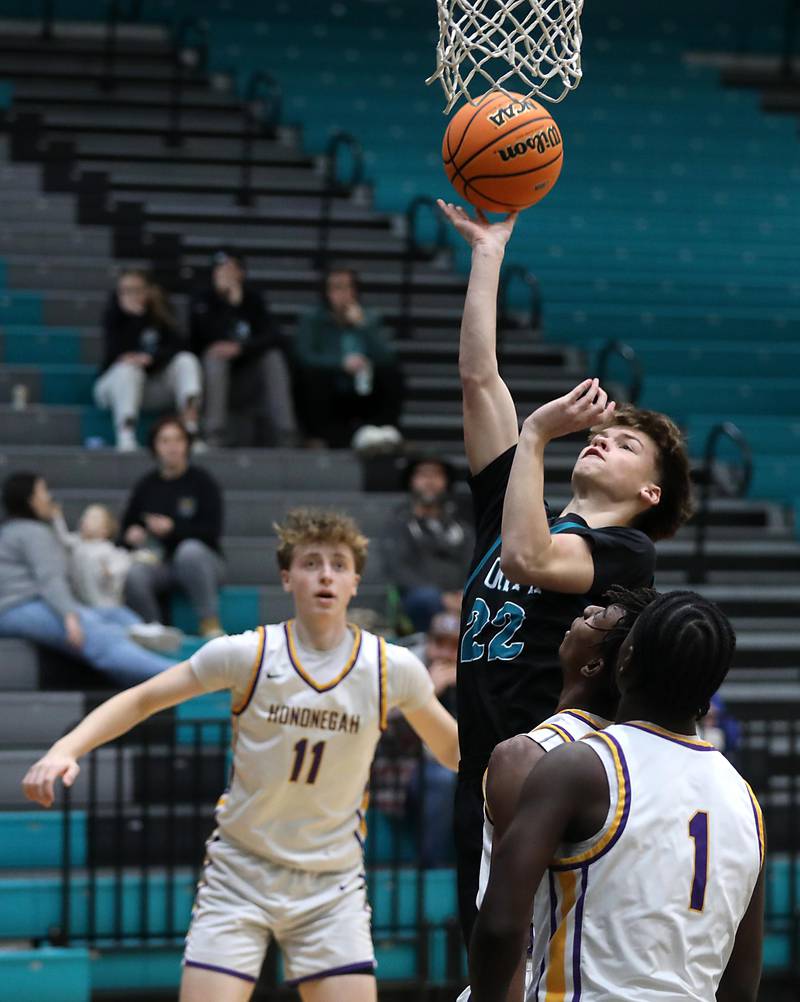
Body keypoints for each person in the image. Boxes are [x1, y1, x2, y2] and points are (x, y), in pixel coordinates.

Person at [22, 507, 460, 1002]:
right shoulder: (247, 654)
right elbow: (144, 697)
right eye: (311, 563)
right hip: (241, 872)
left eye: (338, 565)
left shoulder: (391, 668)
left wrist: (513, 778)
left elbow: (452, 749)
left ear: (356, 581)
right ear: (286, 576)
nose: (325, 575)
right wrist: (66, 747)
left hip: (331, 882)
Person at [437, 199, 695, 943]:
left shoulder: (627, 553)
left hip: (556, 772)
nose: (601, 441)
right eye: (600, 433)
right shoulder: (518, 506)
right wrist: (488, 252)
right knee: (486, 964)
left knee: (549, 965)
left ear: (650, 492)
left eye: (623, 444)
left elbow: (529, 558)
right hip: (479, 769)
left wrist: (537, 433)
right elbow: (479, 380)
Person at [470, 592, 765, 1002]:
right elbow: (741, 980)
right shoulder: (745, 800)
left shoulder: (582, 765)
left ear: (624, 663)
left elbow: (501, 925)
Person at [456, 585, 657, 1002]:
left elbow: (513, 928)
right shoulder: (645, 761)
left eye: (597, 617)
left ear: (594, 665)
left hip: (540, 982)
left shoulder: (532, 756)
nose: (587, 608)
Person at [0, 472, 173, 686]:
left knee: (115, 614)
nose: (49, 498)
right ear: (30, 499)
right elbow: (50, 580)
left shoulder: (13, 531)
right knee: (99, 634)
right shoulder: (33, 533)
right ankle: (173, 674)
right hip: (19, 607)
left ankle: (142, 635)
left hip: (26, 606)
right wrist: (70, 617)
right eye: (43, 492)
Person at [120, 416, 225, 639]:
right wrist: (132, 535)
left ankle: (209, 623)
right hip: (161, 563)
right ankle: (154, 629)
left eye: (178, 440)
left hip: (203, 562)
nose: (172, 447)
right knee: (135, 574)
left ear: (187, 444)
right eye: (165, 441)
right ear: (155, 447)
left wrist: (173, 529)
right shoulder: (146, 485)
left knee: (190, 551)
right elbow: (127, 528)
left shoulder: (202, 482)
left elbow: (212, 531)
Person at [189, 249, 298, 447]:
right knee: (215, 357)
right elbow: (198, 340)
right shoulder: (202, 300)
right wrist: (227, 306)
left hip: (249, 378)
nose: (225, 276)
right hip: (212, 380)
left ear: (241, 273)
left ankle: (286, 433)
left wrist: (241, 348)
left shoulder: (253, 299)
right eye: (220, 270)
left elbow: (274, 336)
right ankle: (214, 434)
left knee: (272, 357)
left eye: (230, 270)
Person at [292, 267, 403, 448]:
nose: (343, 294)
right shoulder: (312, 320)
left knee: (391, 374)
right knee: (310, 376)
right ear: (326, 292)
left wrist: (363, 326)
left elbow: (386, 357)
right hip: (331, 387)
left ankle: (384, 433)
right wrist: (340, 364)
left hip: (363, 387)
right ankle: (319, 436)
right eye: (336, 288)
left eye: (348, 287)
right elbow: (305, 356)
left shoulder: (369, 318)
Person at [93, 269, 202, 452]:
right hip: (114, 387)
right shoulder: (113, 315)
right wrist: (133, 319)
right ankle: (125, 436)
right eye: (125, 290)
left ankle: (191, 429)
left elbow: (179, 346)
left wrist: (151, 358)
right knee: (128, 368)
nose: (130, 295)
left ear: (148, 291)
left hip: (151, 386)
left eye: (135, 290)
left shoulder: (161, 314)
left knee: (186, 361)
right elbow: (114, 352)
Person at [52, 503, 182, 652]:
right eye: (85, 516)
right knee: (110, 628)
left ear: (105, 530)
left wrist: (110, 572)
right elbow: (62, 538)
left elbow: (123, 562)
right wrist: (56, 518)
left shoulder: (106, 549)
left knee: (131, 623)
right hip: (87, 606)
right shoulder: (77, 544)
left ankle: (155, 634)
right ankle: (143, 636)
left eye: (93, 518)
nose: (85, 520)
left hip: (109, 605)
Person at [381, 454, 474, 633]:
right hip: (421, 600)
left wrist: (463, 594)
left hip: (459, 597)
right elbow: (398, 568)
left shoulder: (461, 528)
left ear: (446, 482)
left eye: (436, 475)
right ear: (411, 481)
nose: (430, 481)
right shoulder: (400, 524)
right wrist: (442, 598)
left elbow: (472, 562)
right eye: (423, 475)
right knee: (426, 599)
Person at [405, 610, 460, 866]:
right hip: (409, 769)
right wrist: (428, 692)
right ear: (428, 644)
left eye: (453, 646)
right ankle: (432, 868)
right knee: (441, 779)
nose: (445, 655)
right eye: (439, 644)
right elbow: (384, 721)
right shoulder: (410, 669)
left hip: (464, 766)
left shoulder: (471, 675)